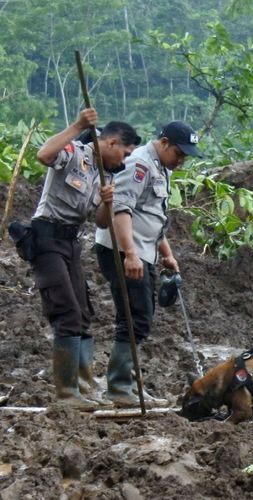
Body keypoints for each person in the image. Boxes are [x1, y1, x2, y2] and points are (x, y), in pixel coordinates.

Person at [31, 109, 140, 410]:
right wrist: (78, 125)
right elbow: (43, 155)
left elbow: (102, 222)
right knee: (66, 311)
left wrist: (108, 202)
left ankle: (82, 388)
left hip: (71, 242)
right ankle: (66, 394)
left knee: (82, 313)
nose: (126, 160)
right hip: (46, 237)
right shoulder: (74, 153)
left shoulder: (104, 174)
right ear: (111, 142)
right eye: (125, 152)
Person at [95, 121, 202, 407]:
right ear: (164, 142)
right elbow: (120, 208)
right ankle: (119, 388)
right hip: (123, 250)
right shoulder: (139, 164)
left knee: (140, 314)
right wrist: (129, 253)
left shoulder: (161, 167)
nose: (181, 160)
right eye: (179, 153)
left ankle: (128, 385)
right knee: (134, 317)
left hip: (143, 250)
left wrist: (166, 253)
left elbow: (153, 215)